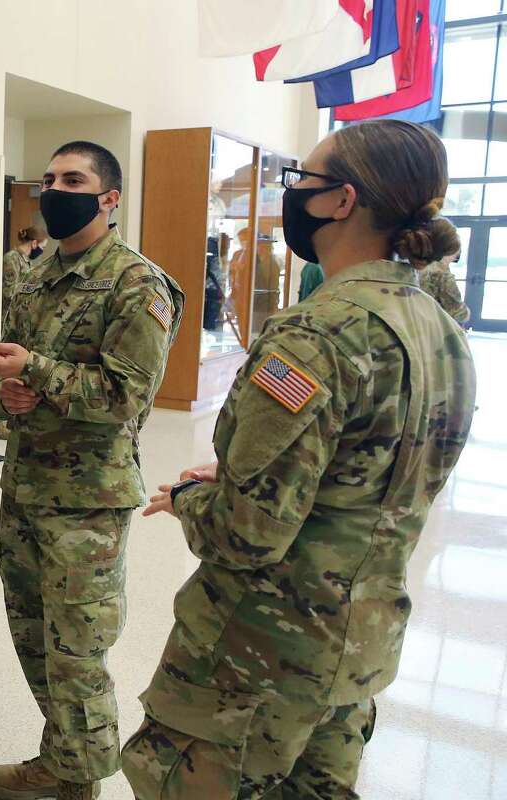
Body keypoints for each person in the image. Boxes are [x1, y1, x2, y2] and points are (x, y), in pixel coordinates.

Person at [123, 120, 476, 798]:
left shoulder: (315, 332)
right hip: (358, 648)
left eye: (301, 180)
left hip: (259, 658)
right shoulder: (439, 327)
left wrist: (195, 499)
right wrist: (249, 473)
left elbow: (248, 534)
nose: (292, 194)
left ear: (340, 201)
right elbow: (378, 469)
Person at [0, 141, 184, 800]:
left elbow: (126, 396)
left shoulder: (137, 282)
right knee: (35, 640)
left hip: (87, 502)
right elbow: (6, 381)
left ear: (110, 198)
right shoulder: (33, 274)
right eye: (49, 179)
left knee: (77, 652)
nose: (55, 190)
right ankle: (61, 758)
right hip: (25, 487)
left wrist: (33, 373)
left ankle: (78, 781)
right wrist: (2, 395)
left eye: (74, 179)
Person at [2, 225, 47, 321]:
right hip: (8, 317)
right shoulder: (12, 258)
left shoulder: (26, 260)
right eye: (42, 247)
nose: (42, 251)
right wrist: (33, 289)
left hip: (19, 315)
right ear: (34, 243)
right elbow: (9, 291)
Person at [420, 249, 472, 325]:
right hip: (431, 326)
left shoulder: (417, 264)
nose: (454, 259)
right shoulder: (441, 272)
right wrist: (467, 314)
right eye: (455, 256)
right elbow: (458, 313)